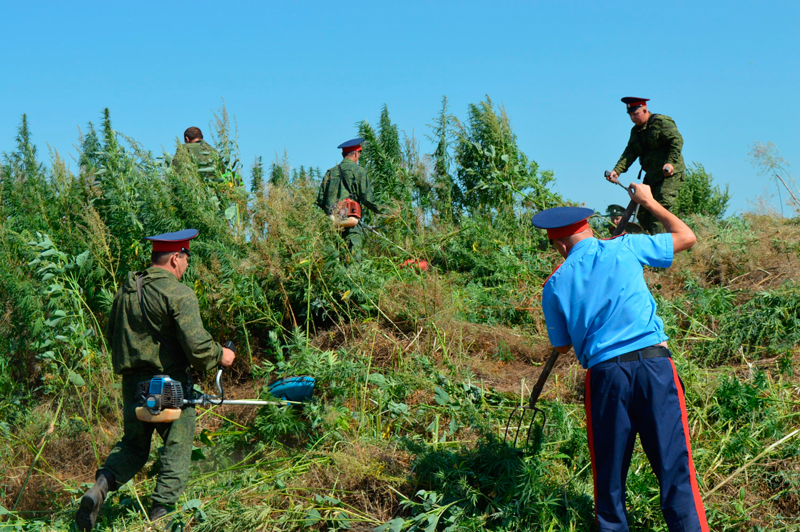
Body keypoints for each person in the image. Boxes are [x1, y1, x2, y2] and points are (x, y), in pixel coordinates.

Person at [532, 185, 708, 532]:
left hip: (606, 378)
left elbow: (563, 346)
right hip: (655, 368)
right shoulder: (625, 247)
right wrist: (648, 202)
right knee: (675, 470)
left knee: (609, 481)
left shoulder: (554, 285)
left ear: (560, 245)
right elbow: (686, 237)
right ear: (590, 229)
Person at [75, 229, 235, 531]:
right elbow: (199, 348)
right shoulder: (178, 293)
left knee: (135, 445)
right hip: (168, 385)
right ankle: (161, 516)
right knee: (178, 442)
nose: (187, 265)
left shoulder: (126, 292)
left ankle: (99, 488)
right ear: (176, 258)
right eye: (186, 258)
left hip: (132, 384)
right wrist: (222, 356)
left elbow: (112, 335)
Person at [606, 97, 685, 234]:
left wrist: (671, 163)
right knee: (642, 212)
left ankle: (659, 250)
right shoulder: (636, 131)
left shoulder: (661, 122)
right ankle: (652, 240)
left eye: (635, 114)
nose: (633, 118)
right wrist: (617, 171)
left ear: (645, 110)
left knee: (657, 212)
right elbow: (630, 152)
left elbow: (676, 141)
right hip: (651, 176)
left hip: (668, 175)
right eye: (630, 115)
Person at [316, 138, 381, 263]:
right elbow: (369, 200)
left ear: (343, 154)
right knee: (352, 265)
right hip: (351, 228)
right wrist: (388, 211)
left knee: (334, 265)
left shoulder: (330, 173)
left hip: (331, 229)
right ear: (356, 153)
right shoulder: (359, 172)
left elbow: (320, 201)